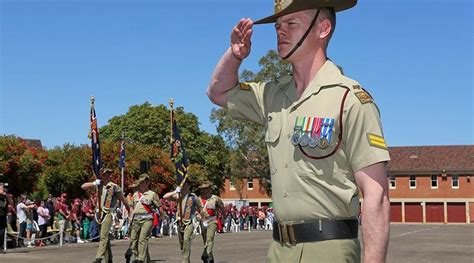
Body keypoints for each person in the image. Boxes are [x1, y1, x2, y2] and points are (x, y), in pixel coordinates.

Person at [206, 0, 391, 262]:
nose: (281, 31)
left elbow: (377, 195)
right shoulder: (272, 94)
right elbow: (218, 92)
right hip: (278, 249)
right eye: (278, 26)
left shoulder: (349, 99)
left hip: (328, 248)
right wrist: (235, 55)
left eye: (291, 23)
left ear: (323, 29)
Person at [82, 168, 131, 263]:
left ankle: (98, 258)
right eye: (105, 174)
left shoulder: (114, 187)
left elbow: (123, 200)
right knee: (105, 237)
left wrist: (129, 211)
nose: (107, 176)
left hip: (108, 213)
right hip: (98, 213)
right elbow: (83, 186)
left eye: (108, 174)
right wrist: (94, 183)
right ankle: (109, 258)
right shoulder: (98, 185)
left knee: (103, 236)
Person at [163, 178, 203, 263]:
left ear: (188, 186)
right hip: (179, 222)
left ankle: (185, 261)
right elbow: (165, 196)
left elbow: (200, 208)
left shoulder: (193, 197)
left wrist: (203, 217)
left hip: (189, 222)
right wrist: (175, 191)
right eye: (182, 185)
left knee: (186, 239)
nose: (184, 186)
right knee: (182, 244)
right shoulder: (178, 196)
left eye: (185, 184)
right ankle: (185, 257)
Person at [126, 174, 160, 263]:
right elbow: (132, 207)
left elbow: (158, 206)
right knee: (133, 239)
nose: (143, 184)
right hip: (136, 219)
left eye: (145, 182)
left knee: (142, 239)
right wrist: (130, 216)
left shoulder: (152, 194)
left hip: (147, 218)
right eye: (141, 182)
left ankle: (140, 259)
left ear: (148, 182)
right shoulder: (135, 195)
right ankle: (139, 257)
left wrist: (163, 215)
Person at [197, 180, 224, 263]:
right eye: (202, 189)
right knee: (205, 241)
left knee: (210, 239)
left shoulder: (215, 198)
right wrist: (197, 215)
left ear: (209, 189)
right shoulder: (198, 199)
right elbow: (196, 209)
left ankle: (206, 254)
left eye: (205, 188)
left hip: (212, 220)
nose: (203, 190)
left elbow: (222, 208)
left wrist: (222, 217)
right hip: (203, 221)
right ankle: (210, 259)